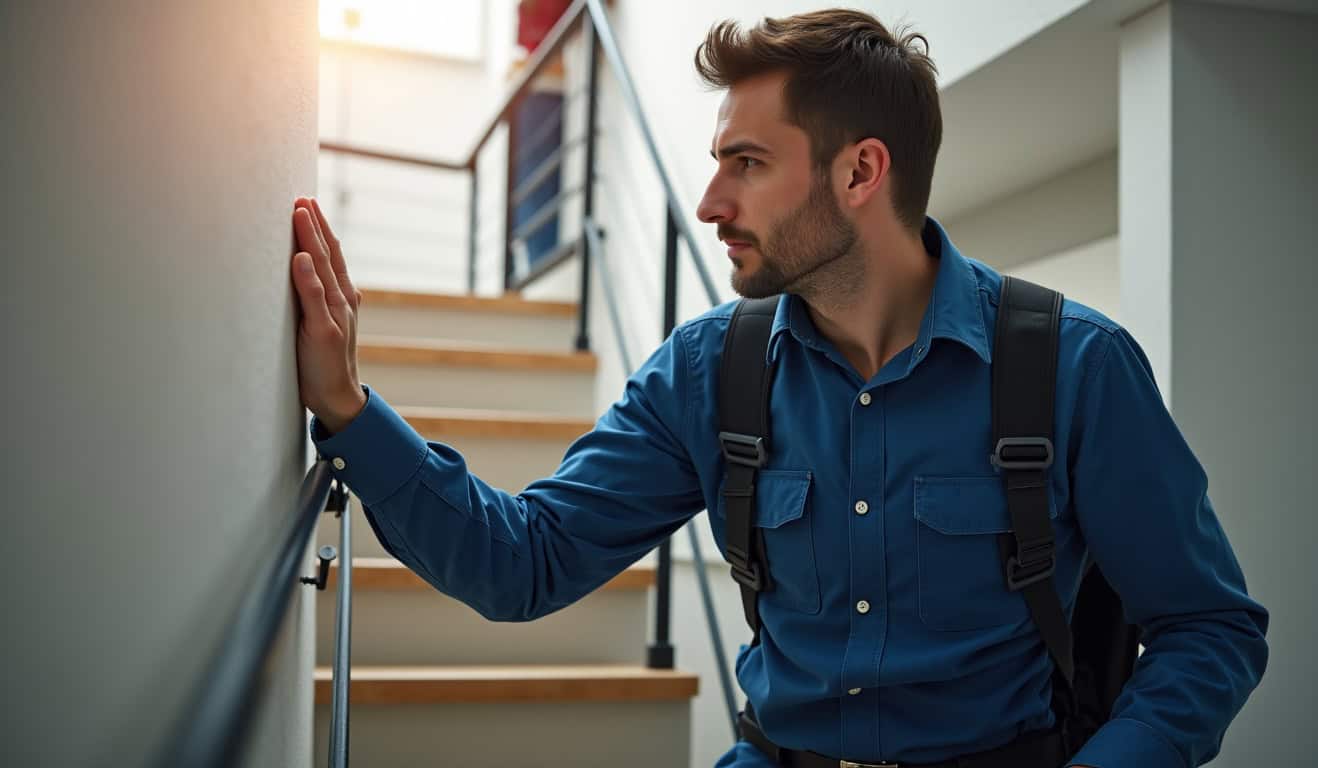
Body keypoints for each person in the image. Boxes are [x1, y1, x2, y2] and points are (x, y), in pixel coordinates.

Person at [288, 9, 1267, 767]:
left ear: (860, 173)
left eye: (746, 165)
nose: (711, 203)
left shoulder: (1077, 367)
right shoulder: (708, 372)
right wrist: (349, 411)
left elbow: (1209, 628)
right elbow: (524, 563)